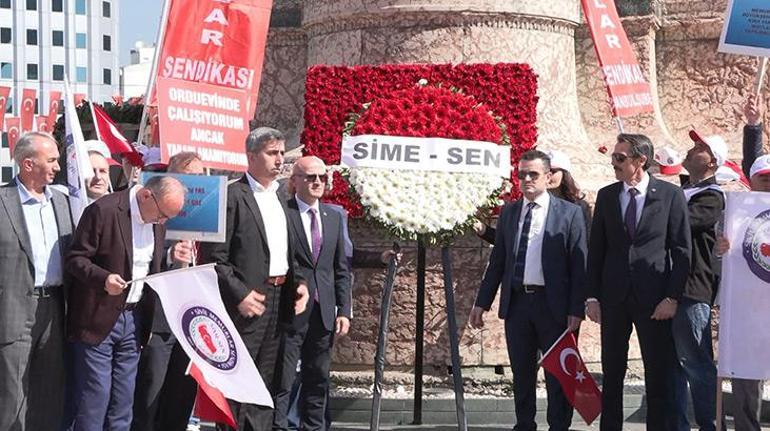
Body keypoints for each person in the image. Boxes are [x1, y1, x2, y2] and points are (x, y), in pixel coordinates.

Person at [200, 127, 309, 431]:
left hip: (278, 299)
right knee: (237, 378)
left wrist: (298, 283)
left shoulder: (282, 198)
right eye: (272, 153)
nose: (279, 160)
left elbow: (287, 250)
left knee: (265, 381)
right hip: (246, 302)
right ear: (251, 156)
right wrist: (240, 294)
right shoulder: (233, 196)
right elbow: (215, 258)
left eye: (281, 153)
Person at [469, 150, 587, 431]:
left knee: (559, 374)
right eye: (521, 174)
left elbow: (579, 264)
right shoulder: (510, 212)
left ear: (548, 177)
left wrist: (576, 309)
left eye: (533, 174)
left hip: (554, 306)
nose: (526, 179)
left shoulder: (569, 213)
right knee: (522, 373)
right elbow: (498, 262)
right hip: (518, 304)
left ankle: (559, 426)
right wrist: (481, 303)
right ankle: (524, 424)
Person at [585, 133, 691, 430]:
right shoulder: (607, 195)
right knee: (612, 373)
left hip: (655, 300)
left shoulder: (670, 196)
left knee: (657, 374)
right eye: (613, 158)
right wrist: (592, 296)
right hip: (614, 298)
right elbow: (597, 250)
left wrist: (672, 297)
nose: (614, 163)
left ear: (640, 161)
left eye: (620, 158)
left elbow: (682, 252)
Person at [65, 175, 186, 431]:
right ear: (145, 196)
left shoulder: (157, 219)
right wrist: (104, 278)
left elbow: (147, 263)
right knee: (94, 399)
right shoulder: (104, 210)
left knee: (123, 400)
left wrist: (169, 256)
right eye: (162, 214)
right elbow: (76, 259)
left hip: (134, 318)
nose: (163, 221)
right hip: (97, 317)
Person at [0, 132, 74, 430]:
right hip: (15, 307)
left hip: (56, 308)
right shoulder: (3, 201)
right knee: (11, 393)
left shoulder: (65, 201)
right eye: (52, 159)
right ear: (28, 164)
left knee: (49, 391)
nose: (58, 166)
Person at [273, 156, 352, 430]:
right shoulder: (283, 212)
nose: (317, 181)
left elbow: (340, 268)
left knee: (318, 378)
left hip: (323, 313)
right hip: (291, 310)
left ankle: (314, 427)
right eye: (310, 177)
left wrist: (344, 311)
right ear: (295, 181)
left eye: (322, 177)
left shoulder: (334, 217)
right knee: (283, 379)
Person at [132, 152, 205, 431]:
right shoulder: (154, 211)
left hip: (194, 323)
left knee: (181, 397)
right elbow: (141, 253)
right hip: (161, 321)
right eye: (188, 176)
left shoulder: (212, 213)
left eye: (200, 177)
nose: (195, 183)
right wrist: (171, 252)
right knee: (150, 395)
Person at [713, 93, 766, 431]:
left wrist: (755, 125)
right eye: (764, 179)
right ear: (751, 180)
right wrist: (723, 250)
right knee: (749, 369)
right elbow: (722, 257)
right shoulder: (737, 214)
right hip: (750, 308)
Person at [669, 131, 727, 431]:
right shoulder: (681, 190)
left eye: (700, 148)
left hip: (693, 289)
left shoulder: (712, 197)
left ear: (712, 163)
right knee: (673, 365)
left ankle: (711, 425)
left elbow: (681, 225)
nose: (692, 150)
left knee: (696, 363)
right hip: (668, 289)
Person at [475, 149, 591, 244]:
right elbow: (511, 242)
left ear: (565, 174)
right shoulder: (528, 203)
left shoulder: (578, 208)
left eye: (553, 172)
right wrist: (483, 230)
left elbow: (584, 245)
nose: (548, 176)